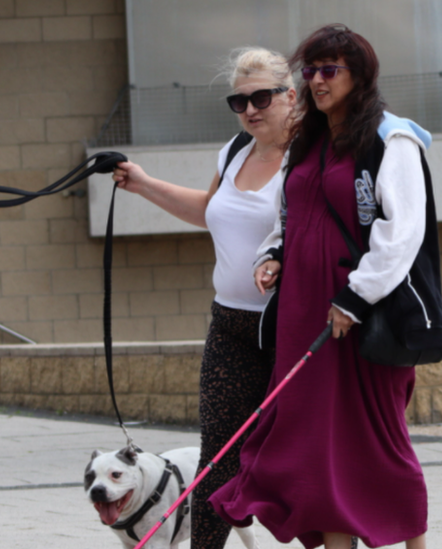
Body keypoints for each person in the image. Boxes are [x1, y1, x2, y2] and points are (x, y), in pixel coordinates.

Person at [209, 25, 442, 549]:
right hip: (303, 314)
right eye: (310, 70)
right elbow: (290, 214)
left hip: (360, 317)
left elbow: (402, 231)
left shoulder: (391, 138)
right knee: (319, 448)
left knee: (376, 442)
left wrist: (357, 295)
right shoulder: (308, 141)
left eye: (330, 69)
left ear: (358, 75)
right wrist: (273, 254)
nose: (317, 80)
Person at [111, 47, 297, 549]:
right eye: (239, 100)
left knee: (297, 459)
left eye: (262, 96)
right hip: (231, 326)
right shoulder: (235, 149)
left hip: (289, 328)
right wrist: (144, 184)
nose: (251, 109)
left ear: (291, 96)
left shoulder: (309, 156)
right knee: (216, 458)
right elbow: (211, 210)